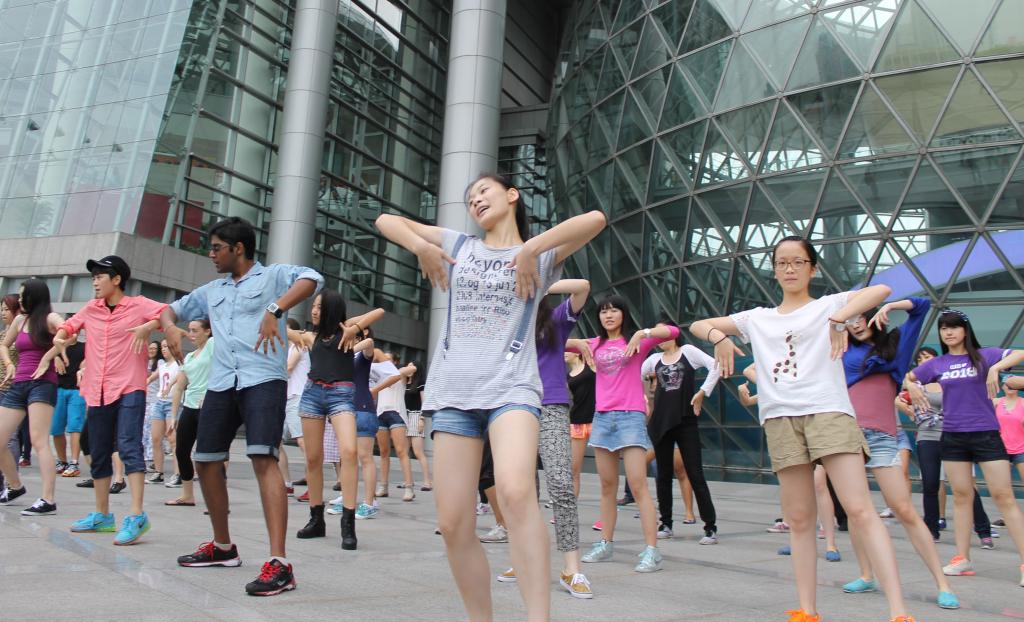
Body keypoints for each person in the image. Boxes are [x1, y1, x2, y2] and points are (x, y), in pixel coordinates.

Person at [375, 172, 604, 621]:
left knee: (518, 491)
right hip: (454, 392)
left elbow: (595, 218)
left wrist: (532, 250)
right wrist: (422, 246)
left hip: (512, 389)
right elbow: (387, 219)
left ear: (512, 196)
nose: (476, 199)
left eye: (485, 191)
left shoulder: (540, 255)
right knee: (454, 522)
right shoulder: (460, 246)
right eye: (470, 197)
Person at [689, 236, 913, 622]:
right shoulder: (757, 318)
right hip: (779, 418)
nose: (789, 269)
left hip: (827, 411)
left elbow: (882, 289)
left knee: (860, 509)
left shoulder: (829, 305)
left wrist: (840, 318)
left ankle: (898, 611)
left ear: (813, 268)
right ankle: (807, 610)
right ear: (774, 270)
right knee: (799, 518)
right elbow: (697, 324)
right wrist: (719, 338)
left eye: (798, 262)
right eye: (782, 263)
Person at [162, 216, 323, 596]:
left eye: (217, 247)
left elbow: (313, 277)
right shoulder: (212, 290)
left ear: (238, 249)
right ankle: (223, 547)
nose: (211, 254)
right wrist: (169, 325)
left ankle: (280, 563)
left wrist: (276, 308)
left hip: (262, 379)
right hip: (222, 383)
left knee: (262, 457)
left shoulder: (273, 276)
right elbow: (172, 309)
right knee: (204, 458)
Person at [839, 297, 957, 609]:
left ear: (872, 317)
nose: (856, 323)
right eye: (850, 319)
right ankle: (866, 574)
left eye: (861, 316)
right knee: (856, 509)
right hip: (845, 436)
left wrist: (889, 306)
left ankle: (942, 583)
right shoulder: (841, 348)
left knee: (903, 509)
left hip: (883, 438)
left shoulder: (895, 344)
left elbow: (921, 306)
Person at [51, 257, 168, 544]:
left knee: (128, 445)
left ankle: (137, 515)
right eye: (93, 277)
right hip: (97, 388)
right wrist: (61, 338)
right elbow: (70, 326)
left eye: (100, 276)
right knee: (100, 450)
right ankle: (102, 516)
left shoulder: (138, 304)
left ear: (116, 280)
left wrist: (147, 326)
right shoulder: (91, 308)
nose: (94, 281)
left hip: (130, 386)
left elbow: (168, 314)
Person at [907, 308, 1024, 585]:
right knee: (961, 497)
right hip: (953, 435)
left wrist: (996, 367)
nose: (948, 332)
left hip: (986, 434)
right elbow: (910, 377)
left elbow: (1020, 353)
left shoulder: (985, 356)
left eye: (954, 327)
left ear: (965, 330)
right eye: (943, 328)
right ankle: (962, 558)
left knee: (1003, 496)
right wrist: (910, 386)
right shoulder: (938, 364)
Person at [496, 278, 594, 598]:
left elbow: (583, 287)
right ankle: (523, 559)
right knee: (522, 490)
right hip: (514, 408)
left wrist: (543, 285)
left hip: (551, 406)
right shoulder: (507, 323)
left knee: (561, 484)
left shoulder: (554, 320)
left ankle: (572, 569)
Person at [567, 296, 679, 573]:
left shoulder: (637, 343)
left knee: (638, 485)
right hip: (603, 417)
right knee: (607, 487)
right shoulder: (594, 344)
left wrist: (643, 333)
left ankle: (652, 550)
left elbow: (674, 332)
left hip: (630, 416)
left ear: (623, 314)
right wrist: (578, 343)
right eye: (603, 312)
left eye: (614, 310)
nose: (608, 315)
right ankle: (605, 543)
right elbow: (549, 341)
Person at [286, 292, 380, 547]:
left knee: (349, 452)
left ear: (331, 309)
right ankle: (316, 520)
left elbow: (378, 312)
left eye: (319, 307)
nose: (314, 311)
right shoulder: (309, 337)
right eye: (313, 306)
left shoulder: (346, 332)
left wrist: (355, 329)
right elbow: (284, 331)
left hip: (341, 395)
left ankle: (348, 524)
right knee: (313, 458)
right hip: (312, 394)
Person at [896, 347, 993, 545]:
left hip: (952, 434)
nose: (924, 360)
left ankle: (983, 529)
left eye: (928, 357)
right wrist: (906, 408)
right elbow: (896, 394)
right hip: (927, 436)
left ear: (936, 361)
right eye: (921, 358)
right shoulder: (916, 384)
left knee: (964, 485)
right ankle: (931, 530)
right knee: (930, 484)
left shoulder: (948, 378)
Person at [641, 319, 721, 544]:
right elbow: (633, 377)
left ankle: (710, 526)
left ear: (672, 333)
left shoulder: (688, 352)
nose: (658, 338)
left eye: (661, 332)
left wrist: (703, 392)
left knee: (696, 474)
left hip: (686, 421)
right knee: (663, 476)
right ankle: (665, 523)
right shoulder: (653, 360)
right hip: (660, 423)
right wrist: (642, 400)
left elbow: (715, 365)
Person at [0, 280, 63, 515]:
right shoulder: (19, 320)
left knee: (39, 441)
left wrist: (49, 356)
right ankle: (15, 486)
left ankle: (48, 500)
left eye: (24, 296)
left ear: (34, 297)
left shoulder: (50, 319)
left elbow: (69, 333)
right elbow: (4, 345)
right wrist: (9, 364)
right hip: (18, 385)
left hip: (42, 384)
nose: (19, 300)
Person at [165, 320, 214, 506]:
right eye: (189, 331)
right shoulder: (191, 356)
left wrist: (211, 396)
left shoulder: (212, 346)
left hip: (208, 406)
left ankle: (215, 499)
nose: (191, 334)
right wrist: (174, 416)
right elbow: (179, 388)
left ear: (208, 331)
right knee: (181, 451)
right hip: (190, 407)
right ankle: (187, 495)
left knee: (207, 455)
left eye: (195, 331)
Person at [371, 352, 417, 500]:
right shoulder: (378, 376)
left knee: (401, 450)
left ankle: (409, 486)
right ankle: (383, 486)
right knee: (383, 452)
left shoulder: (400, 373)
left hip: (397, 413)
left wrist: (397, 369)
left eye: (388, 359)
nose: (385, 361)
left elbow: (413, 369)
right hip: (381, 414)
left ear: (395, 361)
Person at [279, 318, 310, 496]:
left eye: (286, 329)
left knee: (303, 442)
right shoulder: (287, 349)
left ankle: (312, 487)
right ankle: (286, 483)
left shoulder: (300, 346)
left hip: (298, 397)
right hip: (286, 399)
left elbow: (288, 368)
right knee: (275, 442)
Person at [51, 333, 86, 477]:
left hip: (76, 391)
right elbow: (43, 355)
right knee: (56, 428)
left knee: (74, 427)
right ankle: (62, 461)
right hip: (58, 389)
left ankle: (74, 463)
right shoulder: (55, 349)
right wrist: (55, 357)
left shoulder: (85, 347)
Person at [146, 340, 180, 484]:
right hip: (160, 402)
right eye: (162, 347)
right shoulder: (162, 365)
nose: (163, 350)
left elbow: (180, 379)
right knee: (155, 438)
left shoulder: (179, 364)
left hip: (173, 403)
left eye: (166, 346)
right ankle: (158, 472)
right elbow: (150, 378)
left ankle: (179, 473)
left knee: (173, 440)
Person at [565, 351, 594, 499]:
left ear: (577, 353)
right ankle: (570, 509)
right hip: (576, 421)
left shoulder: (590, 365)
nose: (564, 353)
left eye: (567, 350)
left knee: (607, 473)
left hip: (597, 420)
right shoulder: (568, 375)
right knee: (574, 469)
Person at [0, 294, 20, 494]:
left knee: (10, 438)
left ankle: (11, 483)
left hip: (12, 391)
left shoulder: (21, 338)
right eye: (2, 309)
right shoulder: (2, 336)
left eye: (7, 309)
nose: (2, 313)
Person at [404, 364, 432, 491]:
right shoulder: (403, 382)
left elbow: (424, 402)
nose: (409, 368)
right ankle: (408, 481)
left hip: (415, 416)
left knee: (418, 452)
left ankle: (427, 482)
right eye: (407, 365)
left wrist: (422, 419)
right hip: (404, 417)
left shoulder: (420, 383)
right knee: (404, 452)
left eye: (412, 366)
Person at [995, 373, 1024, 482]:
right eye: (1007, 384)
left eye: (1013, 384)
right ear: (1002, 386)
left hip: (1021, 449)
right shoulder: (996, 402)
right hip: (1000, 449)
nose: (1010, 387)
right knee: (1003, 484)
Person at [143, 341, 160, 468]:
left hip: (155, 399)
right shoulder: (144, 362)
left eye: (154, 348)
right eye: (150, 348)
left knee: (150, 429)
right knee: (143, 429)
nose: (152, 350)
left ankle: (150, 456)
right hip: (144, 399)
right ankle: (144, 454)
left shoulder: (160, 363)